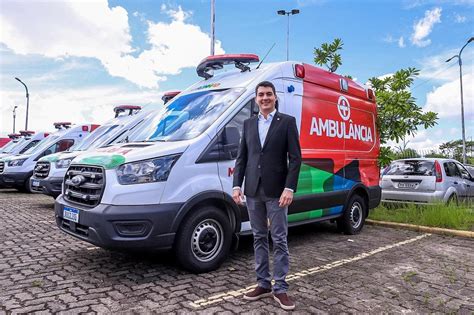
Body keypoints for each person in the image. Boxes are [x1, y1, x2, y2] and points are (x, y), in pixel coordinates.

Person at [232, 81, 302, 311]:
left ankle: (280, 288)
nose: (265, 98)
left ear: (275, 97)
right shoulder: (248, 124)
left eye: (268, 94)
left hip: (277, 191)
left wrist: (289, 188)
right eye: (261, 95)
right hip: (252, 190)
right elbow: (242, 158)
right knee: (259, 237)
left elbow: (296, 158)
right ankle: (262, 283)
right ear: (256, 99)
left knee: (279, 239)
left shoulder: (287, 123)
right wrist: (236, 185)